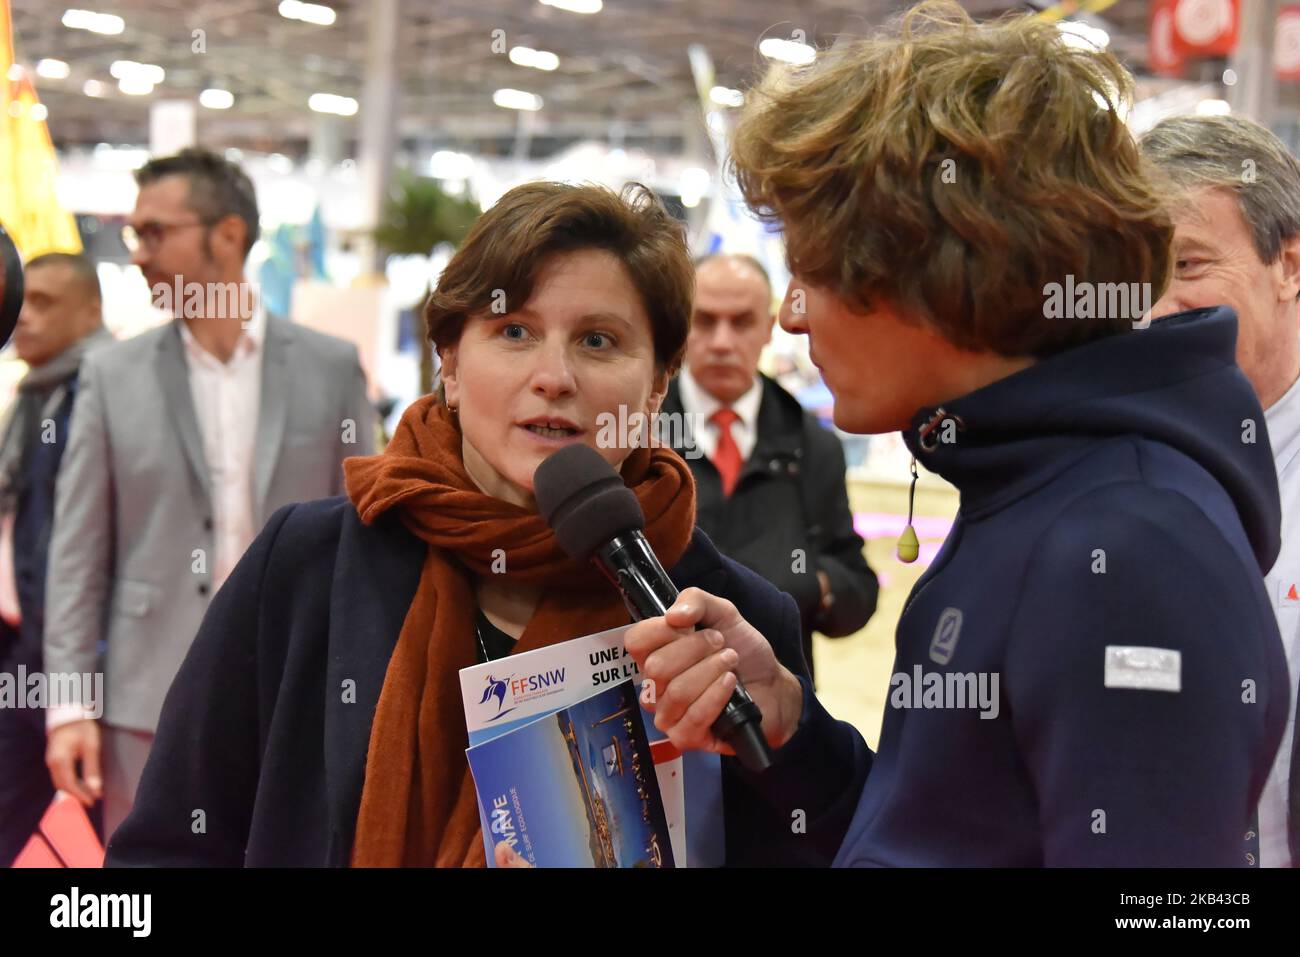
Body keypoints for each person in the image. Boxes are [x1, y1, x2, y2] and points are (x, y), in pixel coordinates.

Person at [621, 0, 1289, 866]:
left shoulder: (1124, 544)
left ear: (932, 266)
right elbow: (936, 835)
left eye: (812, 271)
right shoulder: (1039, 489)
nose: (789, 316)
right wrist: (788, 724)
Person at [105, 181, 814, 867]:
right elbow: (170, 846)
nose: (554, 375)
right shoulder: (306, 567)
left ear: (658, 382)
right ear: (448, 359)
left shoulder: (728, 624)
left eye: (598, 340)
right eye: (514, 331)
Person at [43, 148, 376, 842]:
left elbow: (368, 536)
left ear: (226, 235)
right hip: (145, 697)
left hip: (296, 688)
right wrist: (69, 705)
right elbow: (77, 553)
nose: (138, 253)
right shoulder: (112, 374)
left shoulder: (329, 365)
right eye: (135, 234)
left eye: (155, 232)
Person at [1142, 113, 1300, 867]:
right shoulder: (1103, 472)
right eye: (1134, 274)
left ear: (1291, 265)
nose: (1156, 307)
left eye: (1191, 265)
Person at [661, 253, 877, 681]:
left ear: (768, 327)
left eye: (741, 322)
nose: (722, 342)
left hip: (782, 714)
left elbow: (858, 587)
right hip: (662, 709)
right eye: (704, 321)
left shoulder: (814, 445)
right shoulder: (635, 435)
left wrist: (810, 586)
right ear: (681, 325)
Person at [0, 253, 112, 864]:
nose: (24, 316)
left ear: (91, 310)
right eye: (23, 300)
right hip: (21, 654)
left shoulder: (105, 392)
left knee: (129, 830)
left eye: (44, 302)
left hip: (86, 664)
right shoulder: (31, 397)